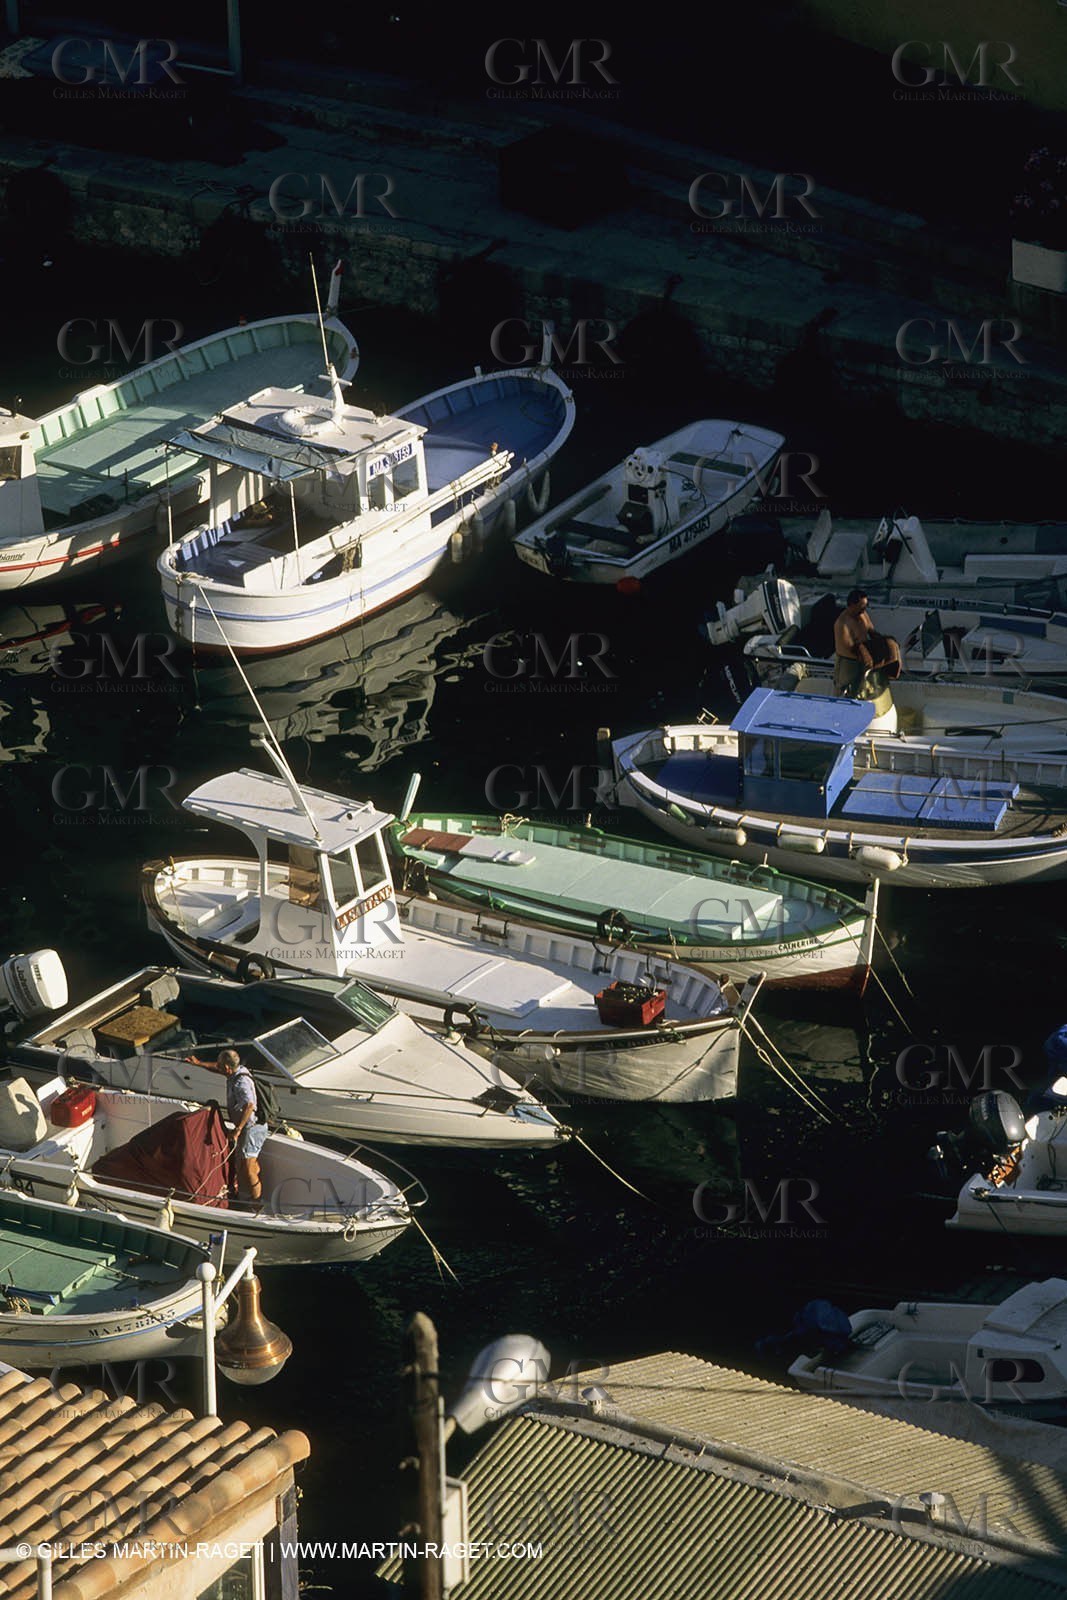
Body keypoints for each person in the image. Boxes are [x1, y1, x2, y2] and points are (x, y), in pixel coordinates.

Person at [184, 1048, 266, 1205]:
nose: (218, 1068)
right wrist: (199, 1063)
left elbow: (249, 1105)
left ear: (227, 1068)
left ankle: (257, 1204)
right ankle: (255, 1195)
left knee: (248, 1168)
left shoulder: (241, 1082)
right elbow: (216, 1068)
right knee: (249, 1163)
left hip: (252, 1128)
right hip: (251, 1127)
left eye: (220, 1066)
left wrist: (238, 1129)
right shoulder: (237, 1071)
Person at [832, 589, 875, 696]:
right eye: (861, 606)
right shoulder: (842, 623)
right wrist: (865, 655)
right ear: (852, 605)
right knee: (844, 692)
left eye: (865, 606)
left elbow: (871, 631)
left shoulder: (863, 615)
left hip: (864, 660)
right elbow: (848, 648)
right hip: (848, 663)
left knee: (862, 692)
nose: (864, 609)